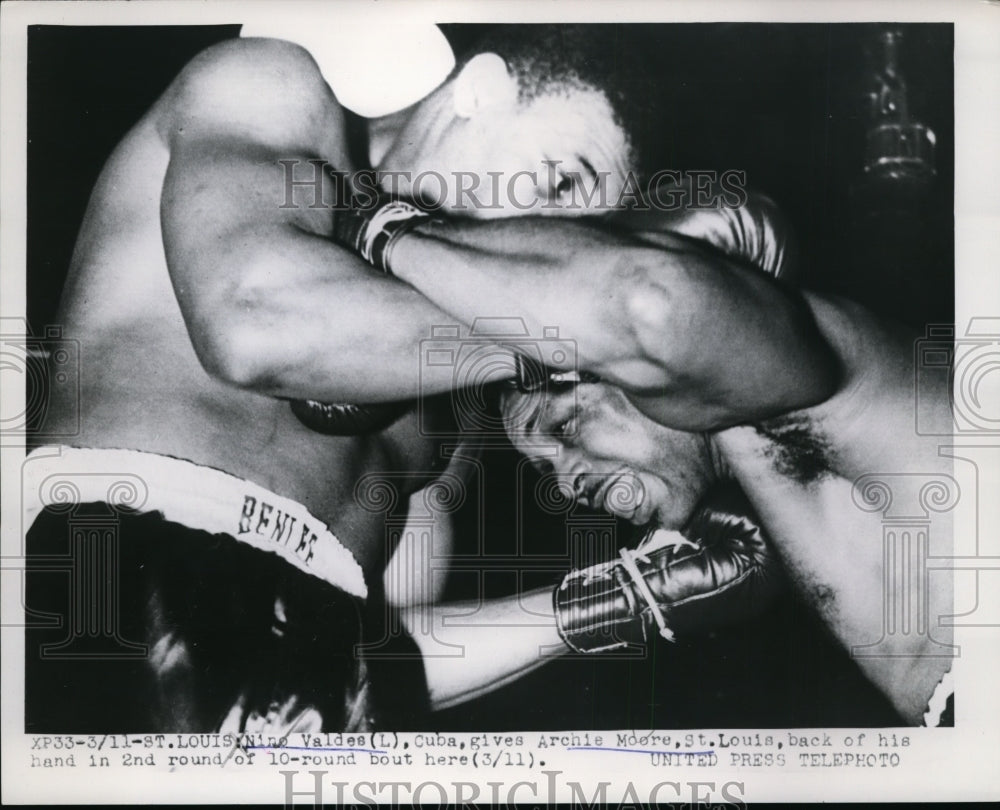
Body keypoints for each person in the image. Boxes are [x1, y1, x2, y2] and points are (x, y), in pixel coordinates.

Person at [402, 202, 955, 727]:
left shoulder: (816, 367)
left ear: (625, 361)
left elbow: (656, 303)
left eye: (564, 428)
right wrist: (628, 595)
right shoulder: (773, 461)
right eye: (548, 471)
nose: (568, 484)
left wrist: (382, 236)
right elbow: (370, 670)